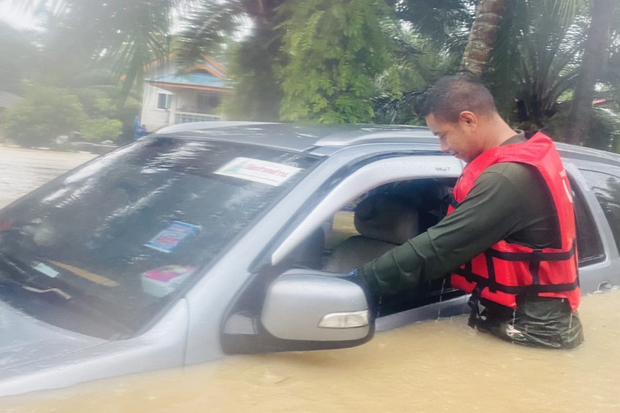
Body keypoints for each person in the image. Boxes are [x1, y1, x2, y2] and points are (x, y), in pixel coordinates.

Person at [355, 74, 584, 349]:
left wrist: (359, 281)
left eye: (442, 135)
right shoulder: (519, 159)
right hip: (531, 326)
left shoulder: (507, 178)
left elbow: (439, 248)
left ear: (468, 120)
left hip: (531, 333)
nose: (443, 148)